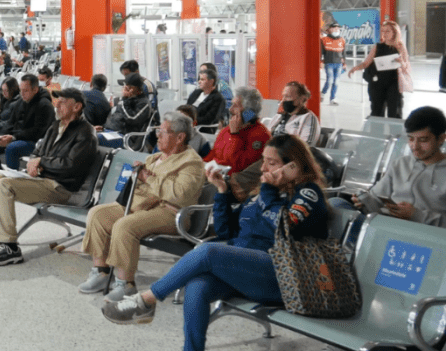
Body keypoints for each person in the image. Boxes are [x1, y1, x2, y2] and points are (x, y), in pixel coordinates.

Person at [102, 134, 329, 351]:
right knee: (197, 286)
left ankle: (147, 300)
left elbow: (284, 225)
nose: (263, 169)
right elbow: (226, 231)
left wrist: (269, 190)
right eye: (264, 162)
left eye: (271, 163)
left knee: (208, 251)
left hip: (283, 275)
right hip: (248, 269)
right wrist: (221, 192)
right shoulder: (260, 194)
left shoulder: (308, 193)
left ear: (293, 166)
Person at [0, 88, 99, 266]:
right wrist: (34, 161)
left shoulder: (86, 133)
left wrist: (42, 162)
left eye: (63, 102)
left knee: (4, 185)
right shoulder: (56, 126)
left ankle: (10, 247)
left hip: (62, 187)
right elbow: (37, 152)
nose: (57, 105)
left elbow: (71, 166)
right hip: (43, 180)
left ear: (77, 106)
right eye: (58, 101)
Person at [79, 112, 206, 299]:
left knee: (125, 225)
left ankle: (125, 283)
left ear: (180, 137)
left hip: (170, 213)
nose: (158, 135)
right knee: (98, 214)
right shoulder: (155, 157)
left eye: (163, 132)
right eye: (158, 131)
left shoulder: (192, 163)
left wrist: (148, 178)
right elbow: (139, 185)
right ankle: (101, 272)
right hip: (140, 206)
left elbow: (179, 194)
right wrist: (136, 174)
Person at [335, 106, 446, 227]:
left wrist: (417, 215)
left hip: (425, 235)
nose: (415, 146)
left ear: (441, 139)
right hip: (387, 226)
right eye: (411, 139)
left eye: (423, 140)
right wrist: (365, 201)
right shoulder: (401, 164)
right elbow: (377, 200)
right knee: (336, 203)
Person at [0, 73, 55, 173]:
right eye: (21, 90)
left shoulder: (45, 105)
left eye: (25, 90)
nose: (22, 93)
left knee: (12, 148)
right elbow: (11, 122)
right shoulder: (22, 101)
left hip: (35, 142)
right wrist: (3, 135)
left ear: (35, 90)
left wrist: (13, 137)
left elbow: (37, 132)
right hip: (17, 136)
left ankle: (11, 181)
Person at [348, 20, 409, 118]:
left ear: (395, 32)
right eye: (383, 31)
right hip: (377, 83)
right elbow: (366, 63)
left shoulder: (400, 47)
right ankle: (376, 132)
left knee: (395, 112)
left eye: (387, 31)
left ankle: (395, 133)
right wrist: (355, 68)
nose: (384, 34)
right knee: (376, 111)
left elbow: (406, 66)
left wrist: (401, 62)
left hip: (394, 84)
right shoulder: (378, 46)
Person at [204, 86, 270, 175]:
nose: (230, 109)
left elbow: (238, 167)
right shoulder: (226, 130)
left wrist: (235, 135)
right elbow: (214, 155)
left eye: (236, 106)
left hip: (230, 182)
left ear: (248, 112)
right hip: (213, 174)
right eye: (232, 104)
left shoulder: (260, 135)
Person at [96, 73, 157, 149]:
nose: (124, 87)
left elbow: (131, 118)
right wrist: (103, 127)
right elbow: (116, 117)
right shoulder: (127, 100)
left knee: (93, 139)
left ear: (135, 88)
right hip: (109, 132)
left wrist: (124, 99)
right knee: (83, 134)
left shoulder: (144, 103)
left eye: (126, 85)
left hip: (124, 136)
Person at [266, 81, 320, 146]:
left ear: (301, 98)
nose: (283, 100)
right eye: (283, 96)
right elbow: (266, 137)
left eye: (288, 96)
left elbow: (306, 146)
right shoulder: (278, 116)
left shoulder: (308, 118)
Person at [320, 23, 346, 105]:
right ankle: (323, 93)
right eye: (334, 28)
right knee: (330, 81)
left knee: (336, 82)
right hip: (329, 63)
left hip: (338, 64)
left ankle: (333, 99)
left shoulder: (342, 40)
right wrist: (320, 63)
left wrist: (344, 64)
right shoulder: (324, 39)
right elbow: (321, 52)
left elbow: (343, 53)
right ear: (330, 29)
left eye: (338, 28)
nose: (336, 29)